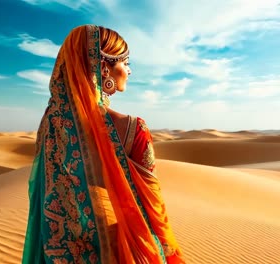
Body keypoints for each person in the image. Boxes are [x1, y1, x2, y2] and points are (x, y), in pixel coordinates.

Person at [22, 24, 185, 264]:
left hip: (55, 254)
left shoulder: (49, 125)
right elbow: (153, 209)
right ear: (103, 68)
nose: (129, 71)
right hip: (116, 251)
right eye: (125, 62)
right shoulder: (133, 129)